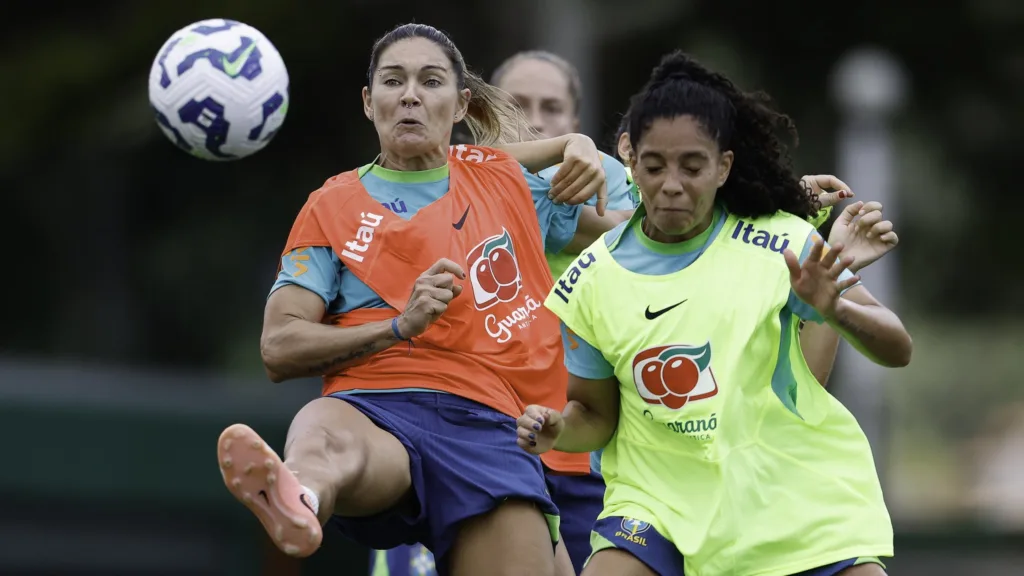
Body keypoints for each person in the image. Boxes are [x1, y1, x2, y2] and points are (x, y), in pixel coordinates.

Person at [216, 23, 612, 576]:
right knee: (324, 432)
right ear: (368, 101)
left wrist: (581, 145)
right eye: (392, 80)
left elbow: (630, 222)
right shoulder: (332, 204)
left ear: (460, 105)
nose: (409, 94)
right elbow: (279, 346)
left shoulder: (501, 176)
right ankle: (299, 495)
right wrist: (398, 326)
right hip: (376, 404)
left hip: (491, 424)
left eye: (430, 81)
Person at [518, 50, 911, 576]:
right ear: (630, 161)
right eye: (654, 167)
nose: (672, 184)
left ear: (724, 166)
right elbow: (594, 416)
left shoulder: (783, 243)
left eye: (693, 166)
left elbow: (896, 346)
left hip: (790, 501)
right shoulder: (588, 281)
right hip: (657, 508)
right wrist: (557, 430)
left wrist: (833, 307)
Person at [369, 49, 635, 576]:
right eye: (517, 105)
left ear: (574, 126)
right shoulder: (435, 195)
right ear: (479, 116)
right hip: (466, 446)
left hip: (585, 464)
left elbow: (667, 230)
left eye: (552, 108)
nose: (536, 120)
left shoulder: (610, 188)